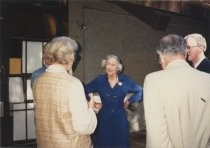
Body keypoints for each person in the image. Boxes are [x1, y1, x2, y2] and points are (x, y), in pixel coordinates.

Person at [143, 34, 210, 148]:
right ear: (185, 53)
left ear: (161, 55)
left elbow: (157, 139)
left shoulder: (153, 80)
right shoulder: (207, 78)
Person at [33, 36, 97, 148]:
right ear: (69, 57)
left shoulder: (38, 82)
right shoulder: (73, 83)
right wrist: (90, 108)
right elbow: (84, 127)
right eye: (74, 54)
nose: (74, 57)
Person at [85, 54, 143, 148]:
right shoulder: (99, 80)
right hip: (104, 118)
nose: (110, 67)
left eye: (113, 65)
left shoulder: (125, 80)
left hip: (119, 118)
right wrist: (94, 103)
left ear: (118, 67)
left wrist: (129, 101)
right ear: (105, 65)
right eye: (108, 64)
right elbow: (84, 90)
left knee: (120, 143)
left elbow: (140, 90)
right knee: (103, 143)